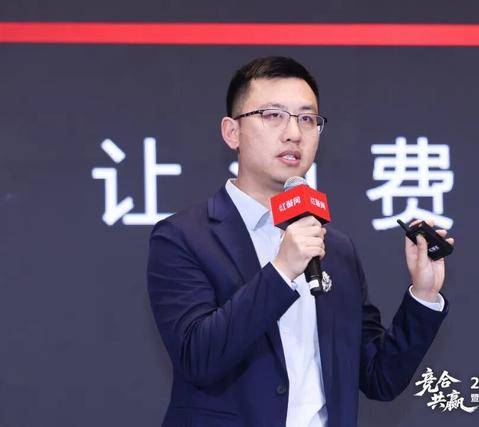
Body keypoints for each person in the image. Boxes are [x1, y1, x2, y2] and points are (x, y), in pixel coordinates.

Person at [147, 56, 453, 427]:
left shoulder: (335, 248)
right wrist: (281, 271)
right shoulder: (183, 237)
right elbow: (198, 357)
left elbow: (379, 378)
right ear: (232, 132)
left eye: (307, 119)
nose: (294, 132)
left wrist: (423, 294)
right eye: (273, 115)